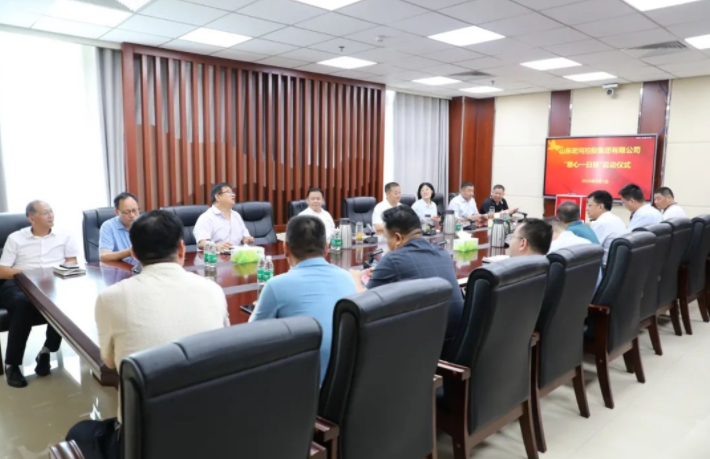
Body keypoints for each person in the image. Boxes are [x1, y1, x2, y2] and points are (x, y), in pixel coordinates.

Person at [66, 210, 229, 459]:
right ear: (181, 248)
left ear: (133, 253)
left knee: (79, 432)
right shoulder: (213, 290)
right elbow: (223, 346)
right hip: (212, 429)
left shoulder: (111, 298)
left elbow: (110, 362)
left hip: (143, 440)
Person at [250, 216, 357, 384]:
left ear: (285, 248)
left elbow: (251, 339)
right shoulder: (347, 277)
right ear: (327, 247)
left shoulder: (276, 285)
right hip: (344, 384)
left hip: (303, 388)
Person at [352, 206, 463, 352]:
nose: (387, 244)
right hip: (455, 342)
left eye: (387, 238)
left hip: (427, 351)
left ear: (398, 238)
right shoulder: (443, 253)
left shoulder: (393, 259)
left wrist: (355, 278)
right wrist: (382, 272)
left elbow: (363, 305)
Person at [0, 201, 79, 388]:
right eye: (45, 213)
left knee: (61, 302)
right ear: (31, 218)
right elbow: (2, 270)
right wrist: (32, 275)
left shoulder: (65, 235)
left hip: (53, 282)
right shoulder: (16, 238)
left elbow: (72, 261)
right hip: (18, 283)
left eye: (51, 211)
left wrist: (60, 271)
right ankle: (12, 365)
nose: (51, 215)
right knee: (23, 305)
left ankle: (46, 351)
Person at [194, 182, 255, 251]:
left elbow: (244, 237)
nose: (233, 195)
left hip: (236, 255)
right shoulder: (206, 217)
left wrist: (246, 240)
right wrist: (217, 247)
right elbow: (201, 244)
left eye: (232, 192)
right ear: (218, 197)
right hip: (215, 256)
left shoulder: (236, 215)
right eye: (228, 192)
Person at [99, 192, 140, 265]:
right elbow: (104, 257)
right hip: (122, 269)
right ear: (117, 212)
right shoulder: (108, 226)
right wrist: (129, 252)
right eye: (126, 212)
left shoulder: (146, 223)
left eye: (134, 210)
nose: (132, 215)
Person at [587, 190, 626, 264]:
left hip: (604, 266)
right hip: (617, 264)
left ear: (600, 207)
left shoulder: (601, 223)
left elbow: (590, 249)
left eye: (590, 205)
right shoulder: (616, 219)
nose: (587, 209)